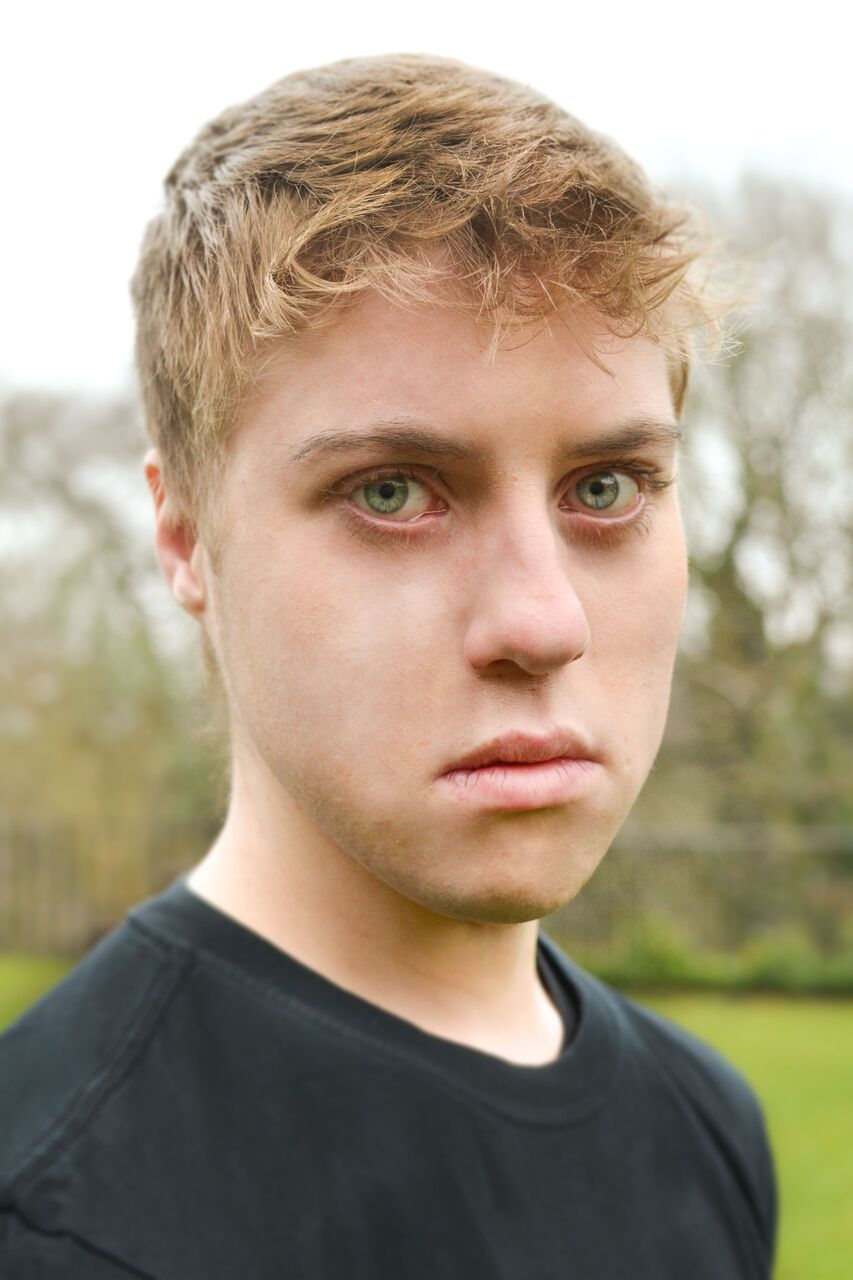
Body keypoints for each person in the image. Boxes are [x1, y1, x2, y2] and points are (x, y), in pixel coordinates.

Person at [0, 53, 777, 1278]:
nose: (542, 622)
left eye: (606, 488)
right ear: (185, 536)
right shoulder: (52, 1219)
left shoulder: (708, 1127)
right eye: (394, 491)